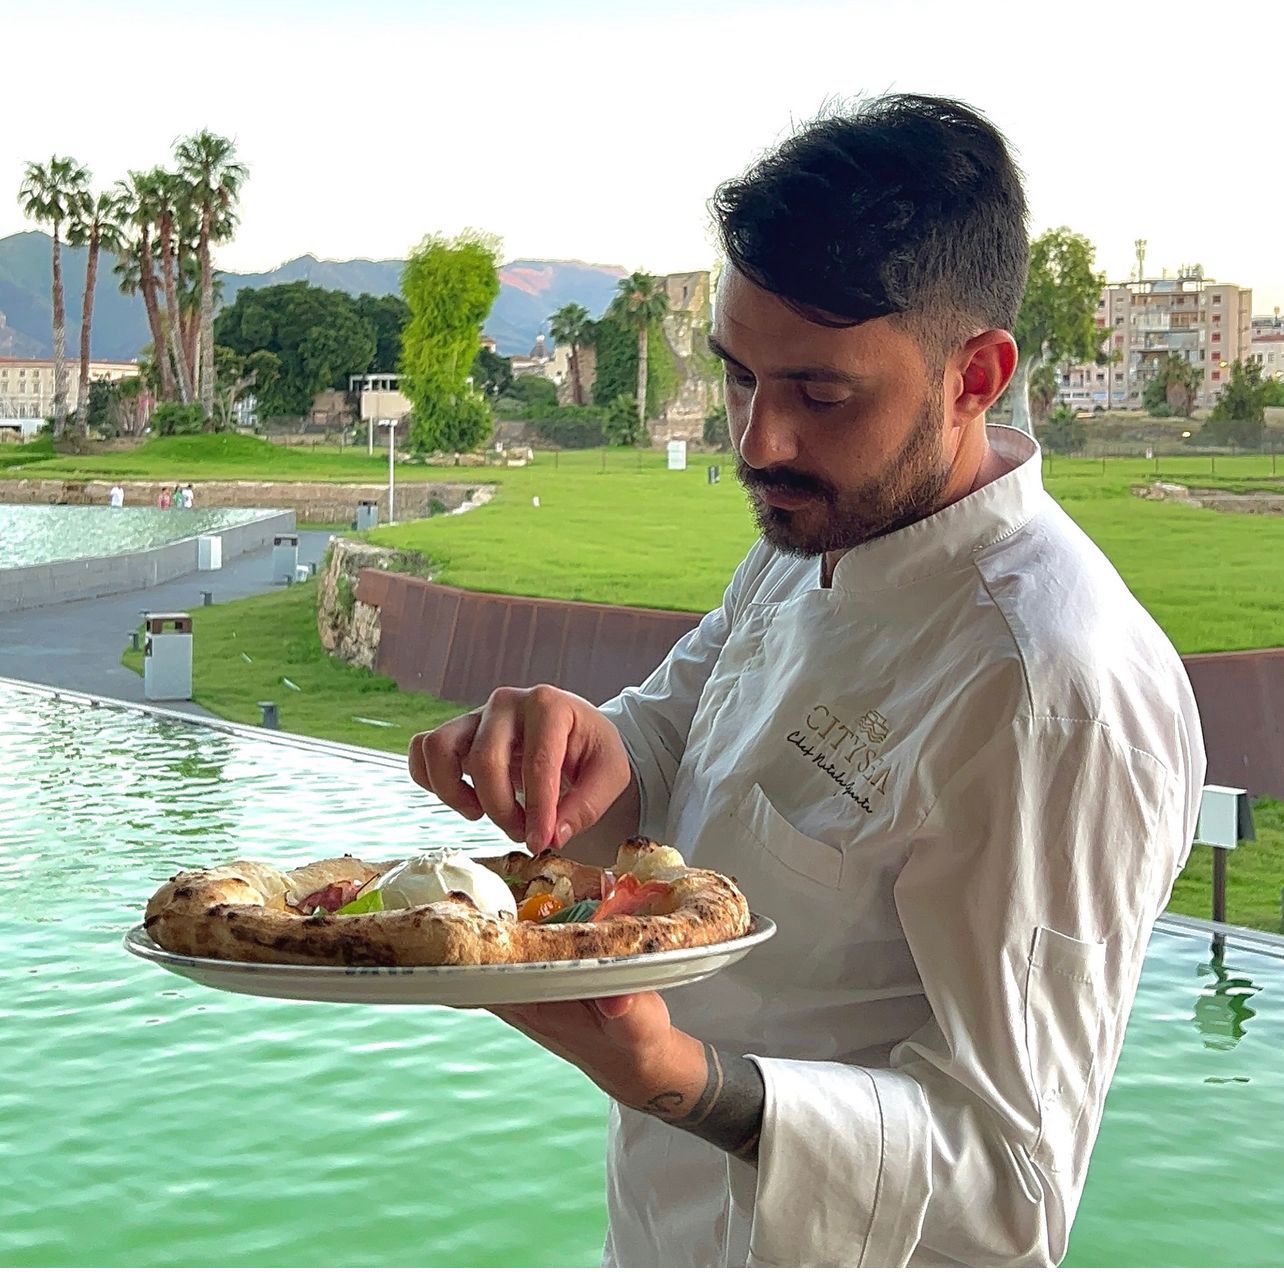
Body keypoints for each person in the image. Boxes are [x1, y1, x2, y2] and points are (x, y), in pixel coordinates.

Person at [408, 94, 1206, 1267]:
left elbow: (1011, 1187)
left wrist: (683, 1080)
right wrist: (571, 752)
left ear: (974, 376)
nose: (758, 441)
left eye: (821, 395)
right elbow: (674, 742)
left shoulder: (1053, 694)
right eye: (741, 378)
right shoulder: (818, 540)